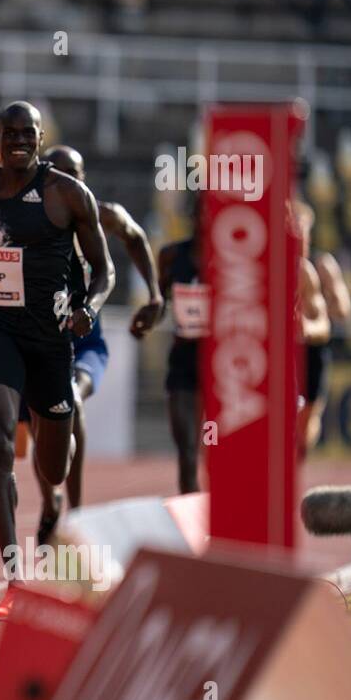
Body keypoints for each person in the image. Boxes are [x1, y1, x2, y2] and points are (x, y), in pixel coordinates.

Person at [0, 101, 114, 621]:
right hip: (0, 330)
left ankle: (54, 498)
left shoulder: (66, 193)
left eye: (26, 133)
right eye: (8, 133)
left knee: (53, 461)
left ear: (39, 137)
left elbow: (104, 273)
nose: (17, 140)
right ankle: (15, 577)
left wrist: (89, 309)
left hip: (52, 341)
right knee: (1, 440)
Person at [25, 145, 164, 542]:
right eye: (59, 173)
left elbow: (135, 238)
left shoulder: (103, 214)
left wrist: (154, 296)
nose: (68, 181)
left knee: (71, 400)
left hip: (87, 342)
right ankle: (51, 498)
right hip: (38, 341)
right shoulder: (30, 216)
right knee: (42, 429)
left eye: (76, 173)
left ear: (84, 177)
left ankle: (78, 513)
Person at [156, 192, 207, 495]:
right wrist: (148, 317)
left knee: (218, 453)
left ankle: (225, 520)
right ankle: (192, 528)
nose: (206, 219)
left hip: (221, 369)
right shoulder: (173, 256)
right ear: (192, 215)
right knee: (187, 453)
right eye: (202, 212)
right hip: (184, 367)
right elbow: (159, 302)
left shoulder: (233, 263)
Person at [291, 201, 349, 460]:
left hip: (314, 349)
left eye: (302, 230)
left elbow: (344, 311)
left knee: (307, 422)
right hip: (286, 350)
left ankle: (299, 453)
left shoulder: (321, 265)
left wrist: (309, 320)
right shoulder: (276, 264)